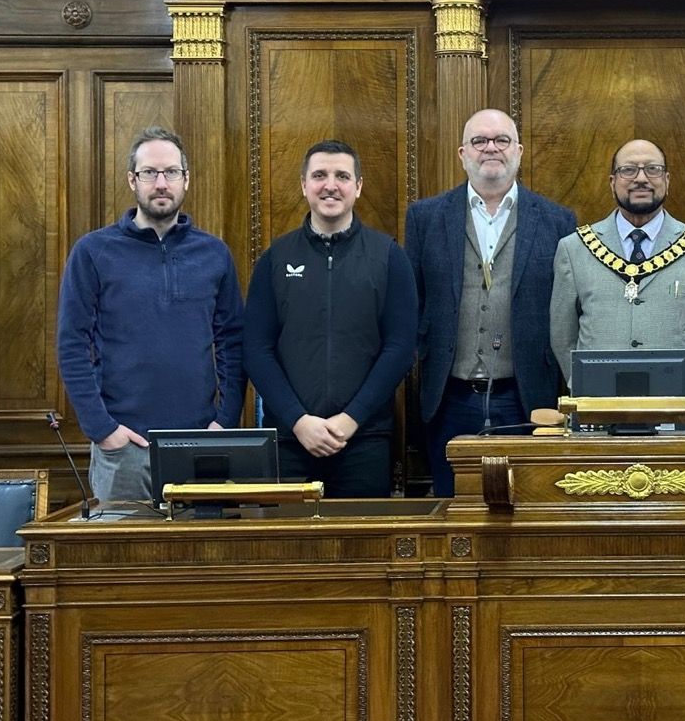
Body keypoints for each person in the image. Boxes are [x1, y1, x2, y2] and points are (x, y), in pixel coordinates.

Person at [56, 126, 245, 503]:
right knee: (121, 559)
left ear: (186, 180)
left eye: (171, 172)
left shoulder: (214, 254)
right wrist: (102, 429)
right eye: (149, 173)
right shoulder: (93, 252)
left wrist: (223, 423)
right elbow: (72, 346)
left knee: (203, 559)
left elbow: (233, 344)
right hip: (124, 448)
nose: (161, 183)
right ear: (132, 180)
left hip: (200, 444)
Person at [404, 109, 576, 496]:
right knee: (454, 506)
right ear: (462, 154)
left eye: (501, 140)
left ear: (519, 151)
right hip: (449, 397)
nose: (491, 149)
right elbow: (412, 303)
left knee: (528, 508)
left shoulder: (557, 220)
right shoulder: (425, 217)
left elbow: (568, 308)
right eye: (480, 141)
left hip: (526, 396)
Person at [244, 139, 417, 498]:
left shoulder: (389, 257)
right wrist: (298, 421)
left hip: (364, 440)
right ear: (304, 185)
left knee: (362, 551)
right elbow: (256, 350)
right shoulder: (275, 259)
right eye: (319, 175)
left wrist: (351, 419)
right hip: (289, 442)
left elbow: (400, 348)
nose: (330, 185)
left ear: (358, 186)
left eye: (342, 175)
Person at [550, 139, 685, 395]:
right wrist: (585, 386)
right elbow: (562, 335)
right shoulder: (574, 249)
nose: (641, 178)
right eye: (629, 170)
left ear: (667, 180)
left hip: (676, 411)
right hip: (597, 408)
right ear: (612, 182)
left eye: (652, 169)